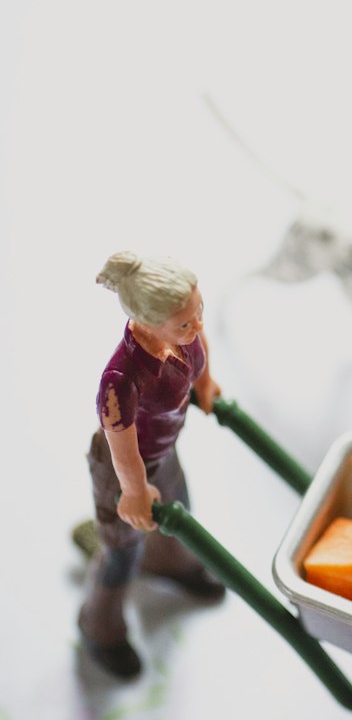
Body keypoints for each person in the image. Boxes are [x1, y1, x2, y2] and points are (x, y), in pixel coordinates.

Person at [79, 251, 225, 680]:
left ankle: (169, 562)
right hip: (122, 472)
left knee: (181, 509)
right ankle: (97, 625)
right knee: (122, 553)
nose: (196, 324)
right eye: (185, 321)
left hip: (164, 452)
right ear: (146, 322)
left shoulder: (183, 333)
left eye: (198, 311)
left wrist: (204, 381)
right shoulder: (120, 380)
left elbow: (200, 347)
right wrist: (135, 492)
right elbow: (121, 444)